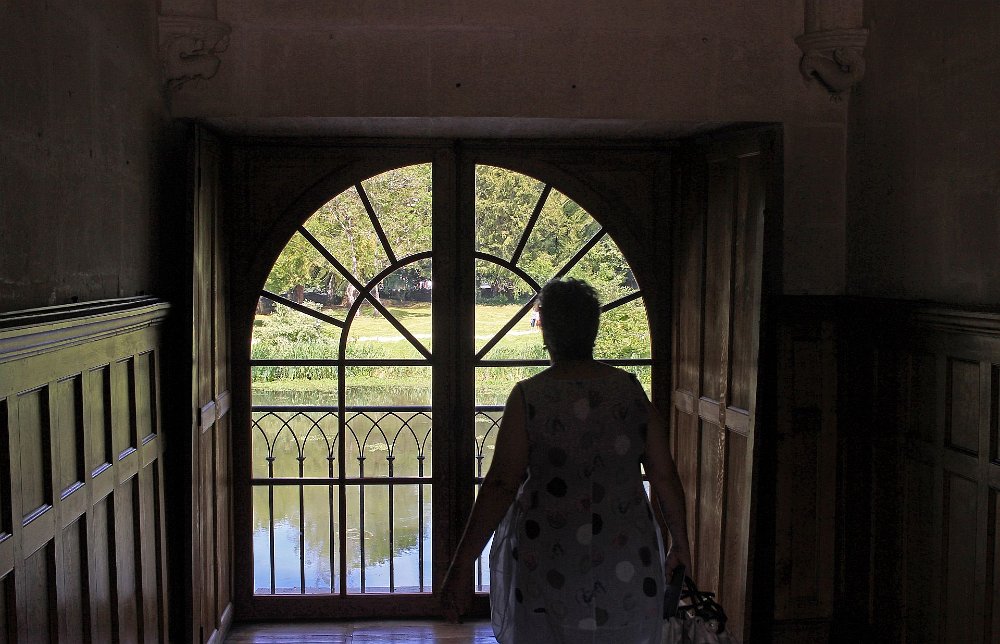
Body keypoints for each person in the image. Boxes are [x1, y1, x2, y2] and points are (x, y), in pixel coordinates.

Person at [441, 278, 691, 643]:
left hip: (549, 561)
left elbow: (501, 485)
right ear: (593, 329)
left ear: (547, 331)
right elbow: (664, 475)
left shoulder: (530, 397)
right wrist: (681, 543)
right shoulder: (629, 391)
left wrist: (462, 565)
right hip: (625, 558)